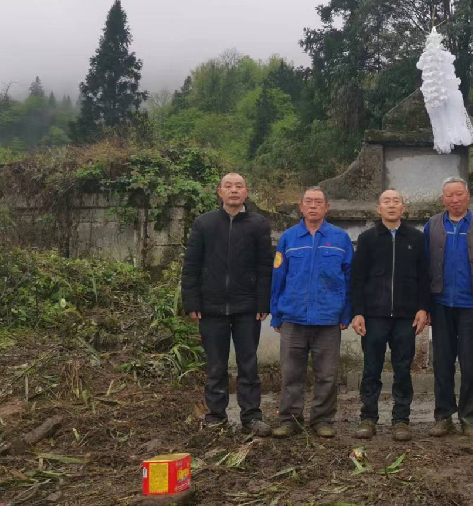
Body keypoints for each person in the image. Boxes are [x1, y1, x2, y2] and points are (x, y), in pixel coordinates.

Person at [181, 173, 273, 435]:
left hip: (247, 307)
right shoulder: (204, 223)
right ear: (219, 192)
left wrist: (262, 302)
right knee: (216, 364)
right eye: (228, 186)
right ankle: (216, 415)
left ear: (246, 192)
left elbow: (265, 267)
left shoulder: (258, 224)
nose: (234, 190)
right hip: (211, 307)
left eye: (239, 186)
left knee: (248, 363)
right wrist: (192, 301)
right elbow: (191, 266)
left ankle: (251, 416)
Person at [270, 186, 354, 438]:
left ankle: (322, 419)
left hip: (328, 319)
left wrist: (346, 313)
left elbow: (350, 278)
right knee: (291, 373)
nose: (313, 205)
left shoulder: (340, 239)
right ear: (301, 207)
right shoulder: (289, 238)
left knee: (327, 375)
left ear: (327, 208)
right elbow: (278, 277)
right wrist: (276, 313)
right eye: (309, 201)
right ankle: (289, 419)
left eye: (319, 202)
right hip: (293, 318)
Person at [350, 190, 429, 442]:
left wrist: (423, 309)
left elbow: (424, 277)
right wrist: (358, 312)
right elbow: (357, 279)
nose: (392, 205)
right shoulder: (367, 238)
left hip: (406, 316)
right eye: (387, 201)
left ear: (404, 209)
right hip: (374, 316)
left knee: (403, 369)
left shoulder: (416, 238)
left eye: (397, 201)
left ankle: (401, 419)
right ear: (378, 209)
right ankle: (368, 418)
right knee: (371, 368)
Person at [423, 177, 473, 437]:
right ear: (443, 199)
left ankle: (470, 418)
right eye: (449, 195)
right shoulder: (432, 225)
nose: (454, 200)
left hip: (471, 305)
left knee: (470, 363)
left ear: (468, 196)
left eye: (459, 195)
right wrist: (425, 305)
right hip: (440, 304)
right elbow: (424, 267)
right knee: (442, 363)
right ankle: (443, 416)